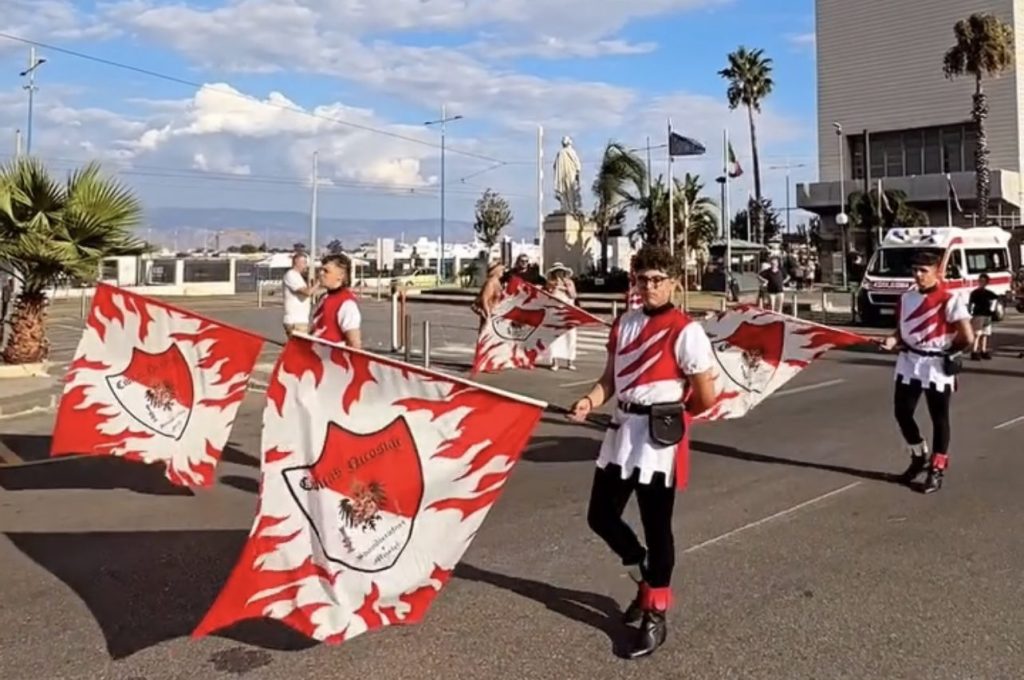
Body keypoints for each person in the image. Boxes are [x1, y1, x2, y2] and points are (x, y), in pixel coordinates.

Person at [567, 244, 718, 659]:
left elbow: (705, 395)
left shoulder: (686, 330)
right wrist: (588, 399)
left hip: (657, 440)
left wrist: (672, 417)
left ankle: (657, 613)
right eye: (642, 279)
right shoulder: (623, 325)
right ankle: (644, 578)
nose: (648, 286)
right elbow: (609, 380)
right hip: (620, 432)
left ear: (673, 283)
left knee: (657, 526)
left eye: (657, 280)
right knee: (600, 515)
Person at [877, 250, 973, 494]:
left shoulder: (950, 299)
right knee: (902, 412)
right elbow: (900, 330)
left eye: (923, 271)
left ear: (937, 272)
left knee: (939, 418)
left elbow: (968, 336)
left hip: (936, 366)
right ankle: (918, 456)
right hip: (909, 361)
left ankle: (937, 469)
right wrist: (891, 340)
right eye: (915, 270)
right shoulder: (906, 298)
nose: (918, 275)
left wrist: (949, 353)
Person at [311, 253, 362, 348]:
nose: (321, 273)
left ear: (341, 275)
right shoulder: (324, 297)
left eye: (326, 271)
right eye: (320, 270)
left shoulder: (347, 304)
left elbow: (354, 343)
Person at [544, 263, 577, 371]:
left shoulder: (569, 282)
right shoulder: (550, 283)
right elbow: (548, 296)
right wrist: (554, 287)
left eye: (561, 271)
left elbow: (573, 295)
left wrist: (567, 287)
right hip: (555, 312)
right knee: (555, 338)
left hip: (569, 312)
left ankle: (570, 361)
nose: (559, 273)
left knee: (570, 337)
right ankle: (555, 362)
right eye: (557, 271)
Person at [282, 253, 319, 337]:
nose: (306, 265)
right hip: (296, 320)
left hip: (300, 320)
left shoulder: (298, 276)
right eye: (304, 262)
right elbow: (307, 292)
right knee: (301, 348)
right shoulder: (291, 275)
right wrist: (318, 282)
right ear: (296, 262)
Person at [968, 273, 999, 360]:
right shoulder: (975, 293)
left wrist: (993, 309)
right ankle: (974, 351)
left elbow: (996, 299)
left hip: (987, 315)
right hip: (978, 314)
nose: (982, 283)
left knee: (985, 334)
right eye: (980, 281)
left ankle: (983, 350)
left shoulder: (989, 293)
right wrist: (970, 313)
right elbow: (970, 304)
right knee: (977, 333)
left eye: (984, 281)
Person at [472, 263, 505, 333]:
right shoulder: (490, 282)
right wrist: (488, 315)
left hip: (496, 316)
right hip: (490, 316)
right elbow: (484, 299)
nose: (503, 271)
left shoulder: (497, 282)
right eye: (501, 269)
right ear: (496, 270)